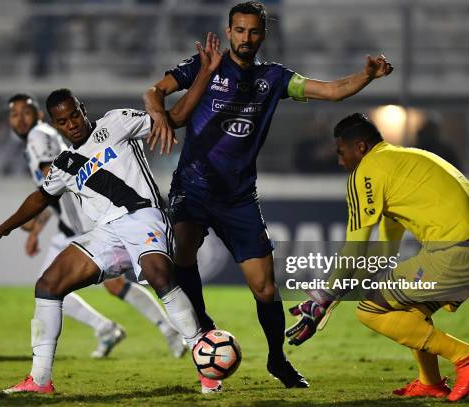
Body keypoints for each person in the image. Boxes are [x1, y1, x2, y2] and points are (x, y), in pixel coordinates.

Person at [143, 0, 393, 390]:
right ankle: (205, 333)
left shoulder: (274, 78)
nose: (246, 38)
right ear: (229, 33)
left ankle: (278, 359)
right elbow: (154, 92)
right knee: (182, 256)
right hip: (193, 187)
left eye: (253, 31)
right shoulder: (204, 66)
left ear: (263, 34)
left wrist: (367, 75)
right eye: (239, 31)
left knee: (265, 287)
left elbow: (330, 91)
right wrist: (159, 114)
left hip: (240, 198)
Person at [0, 34, 224, 394]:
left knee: (159, 274)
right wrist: (5, 226)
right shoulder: (63, 164)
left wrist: (205, 73)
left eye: (75, 114)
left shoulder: (117, 122)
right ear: (56, 123)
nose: (72, 124)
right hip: (105, 234)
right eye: (62, 121)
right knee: (48, 285)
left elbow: (173, 117)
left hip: (144, 217)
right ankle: (40, 380)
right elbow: (39, 198)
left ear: (82, 108)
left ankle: (205, 365)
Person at [285, 113, 469, 401]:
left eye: (341, 152)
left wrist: (324, 295)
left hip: (457, 249)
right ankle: (430, 382)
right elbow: (385, 252)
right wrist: (330, 300)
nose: (340, 161)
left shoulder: (367, 172)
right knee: (410, 312)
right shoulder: (401, 162)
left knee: (369, 310)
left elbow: (356, 248)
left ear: (360, 147)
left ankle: (466, 356)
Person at [7, 93, 187, 360]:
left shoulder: (38, 137)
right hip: (70, 223)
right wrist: (37, 227)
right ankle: (116, 329)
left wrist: (33, 222)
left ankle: (153, 330)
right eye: (14, 114)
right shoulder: (43, 137)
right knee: (55, 285)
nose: (20, 119)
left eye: (26, 112)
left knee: (54, 286)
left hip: (82, 222)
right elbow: (55, 186)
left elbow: (54, 183)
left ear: (40, 115)